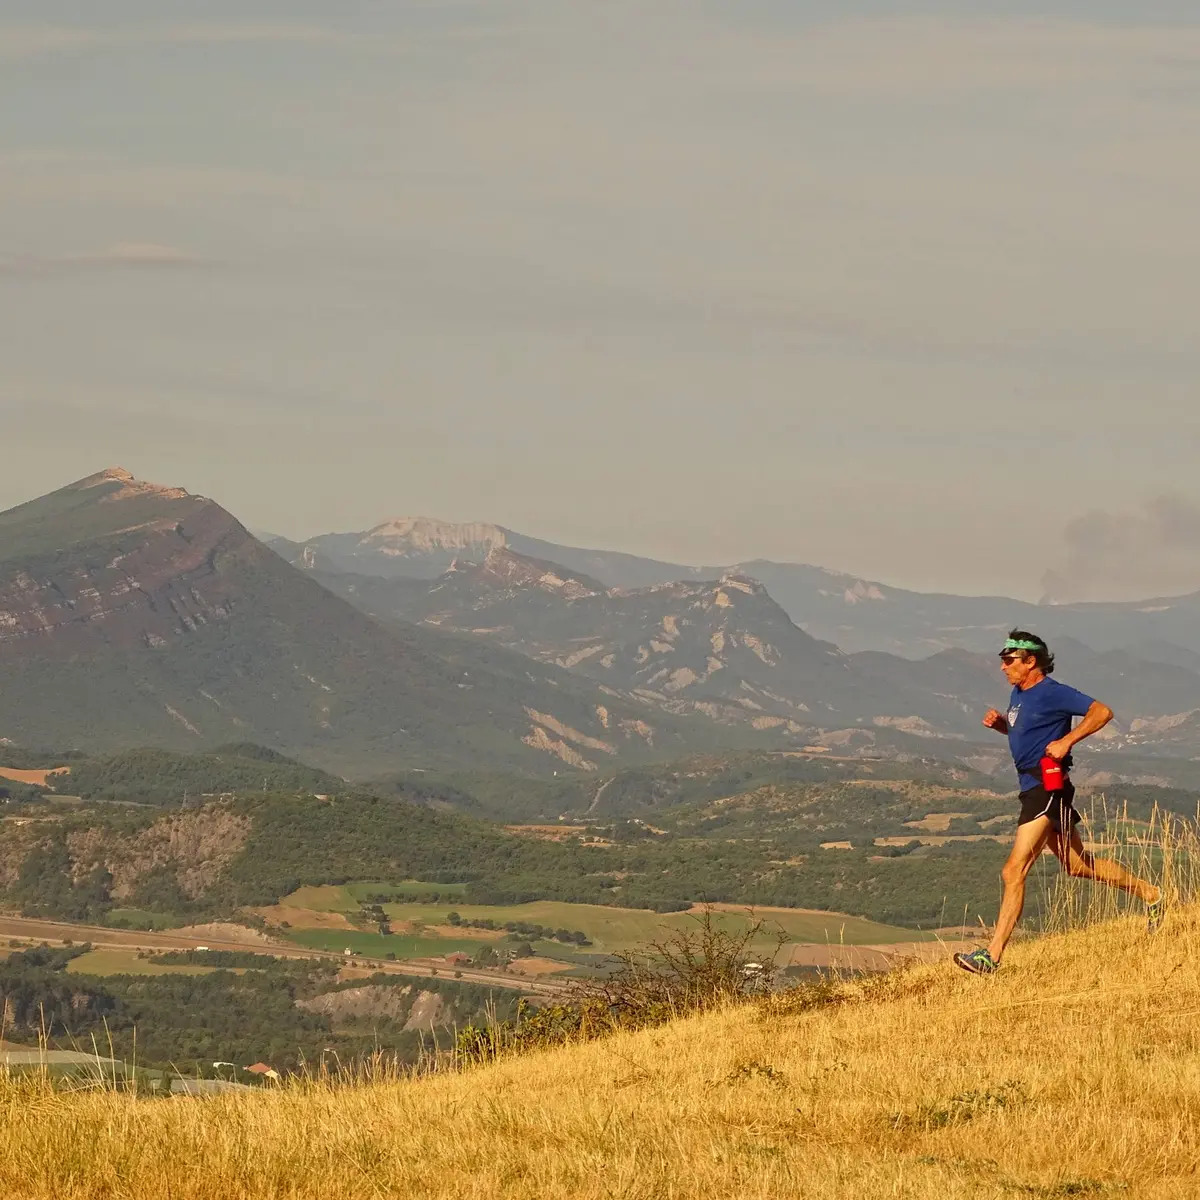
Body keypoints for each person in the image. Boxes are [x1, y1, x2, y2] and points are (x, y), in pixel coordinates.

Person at [953, 630, 1163, 975]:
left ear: (1031, 661)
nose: (1003, 668)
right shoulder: (1019, 693)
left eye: (1009, 661)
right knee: (1077, 865)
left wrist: (1068, 740)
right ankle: (1153, 895)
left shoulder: (1053, 692)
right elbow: (1028, 733)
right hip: (1036, 787)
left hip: (1046, 789)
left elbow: (1102, 711)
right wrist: (1002, 727)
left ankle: (990, 957)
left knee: (1013, 870)